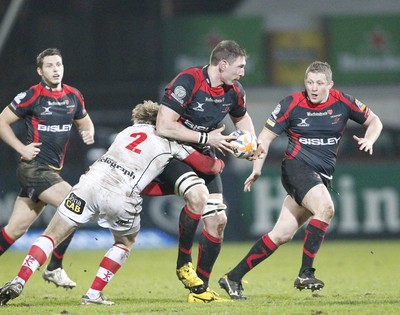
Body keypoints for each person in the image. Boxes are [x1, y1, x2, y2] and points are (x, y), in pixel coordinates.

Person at [0, 100, 225, 306]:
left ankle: (19, 280)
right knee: (124, 243)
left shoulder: (126, 132)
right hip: (121, 196)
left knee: (50, 236)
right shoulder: (170, 141)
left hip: (89, 185)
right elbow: (208, 167)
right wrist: (220, 161)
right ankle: (93, 294)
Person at [218, 61, 383, 299]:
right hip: (297, 168)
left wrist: (370, 139)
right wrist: (256, 168)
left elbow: (374, 120)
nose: (313, 88)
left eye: (319, 83)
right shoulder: (291, 104)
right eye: (309, 82)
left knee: (282, 234)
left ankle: (233, 277)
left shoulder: (343, 102)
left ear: (330, 84)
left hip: (321, 175)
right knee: (325, 208)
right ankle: (306, 272)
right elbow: (265, 137)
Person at [149, 39, 264, 303]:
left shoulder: (234, 90)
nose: (243, 72)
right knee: (198, 197)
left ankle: (200, 291)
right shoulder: (187, 82)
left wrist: (250, 141)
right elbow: (163, 126)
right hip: (172, 152)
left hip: (205, 155)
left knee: (218, 221)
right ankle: (183, 263)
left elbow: (241, 117)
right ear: (223, 64)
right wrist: (204, 139)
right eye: (240, 66)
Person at [0, 48, 95, 289]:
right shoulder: (31, 95)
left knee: (15, 229)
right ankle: (54, 268)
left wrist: (88, 133)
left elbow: (85, 122)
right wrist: (21, 148)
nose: (55, 69)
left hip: (51, 171)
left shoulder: (73, 96)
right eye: (50, 66)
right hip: (33, 168)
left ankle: (55, 268)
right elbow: (2, 121)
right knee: (75, 204)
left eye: (59, 65)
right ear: (40, 71)